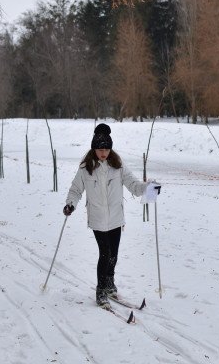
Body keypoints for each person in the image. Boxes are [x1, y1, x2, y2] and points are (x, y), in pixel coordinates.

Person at [63, 123, 161, 308]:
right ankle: (101, 291)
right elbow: (76, 190)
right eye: (100, 149)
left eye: (107, 149)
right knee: (105, 253)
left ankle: (109, 284)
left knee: (113, 255)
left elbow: (134, 186)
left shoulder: (118, 165)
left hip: (116, 218)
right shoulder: (86, 168)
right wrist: (70, 204)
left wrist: (149, 188)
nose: (104, 153)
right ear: (94, 148)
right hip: (97, 219)